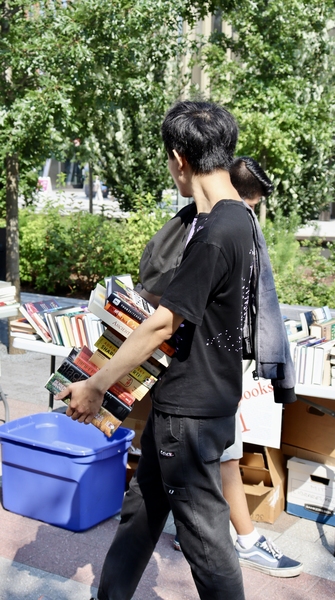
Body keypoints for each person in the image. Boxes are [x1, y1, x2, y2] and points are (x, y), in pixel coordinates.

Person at [56, 99, 254, 600]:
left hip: (190, 411)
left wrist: (97, 384)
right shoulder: (240, 221)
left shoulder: (213, 232)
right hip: (196, 401)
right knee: (141, 511)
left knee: (205, 539)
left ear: (179, 158)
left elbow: (165, 323)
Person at [141, 156, 303, 578]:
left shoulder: (212, 227)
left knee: (190, 524)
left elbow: (165, 308)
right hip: (199, 383)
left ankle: (239, 537)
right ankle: (243, 538)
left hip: (197, 386)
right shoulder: (226, 227)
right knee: (160, 510)